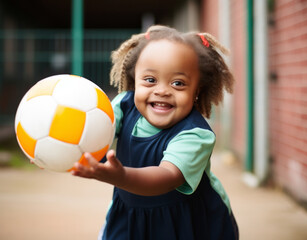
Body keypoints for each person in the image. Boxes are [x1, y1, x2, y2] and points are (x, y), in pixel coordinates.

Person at [72, 25, 238, 240]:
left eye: (178, 83)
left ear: (196, 91)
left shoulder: (195, 134)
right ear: (134, 81)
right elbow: (91, 136)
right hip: (129, 213)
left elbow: (168, 177)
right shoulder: (123, 105)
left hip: (186, 221)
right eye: (150, 80)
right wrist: (58, 151)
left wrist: (121, 176)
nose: (162, 90)